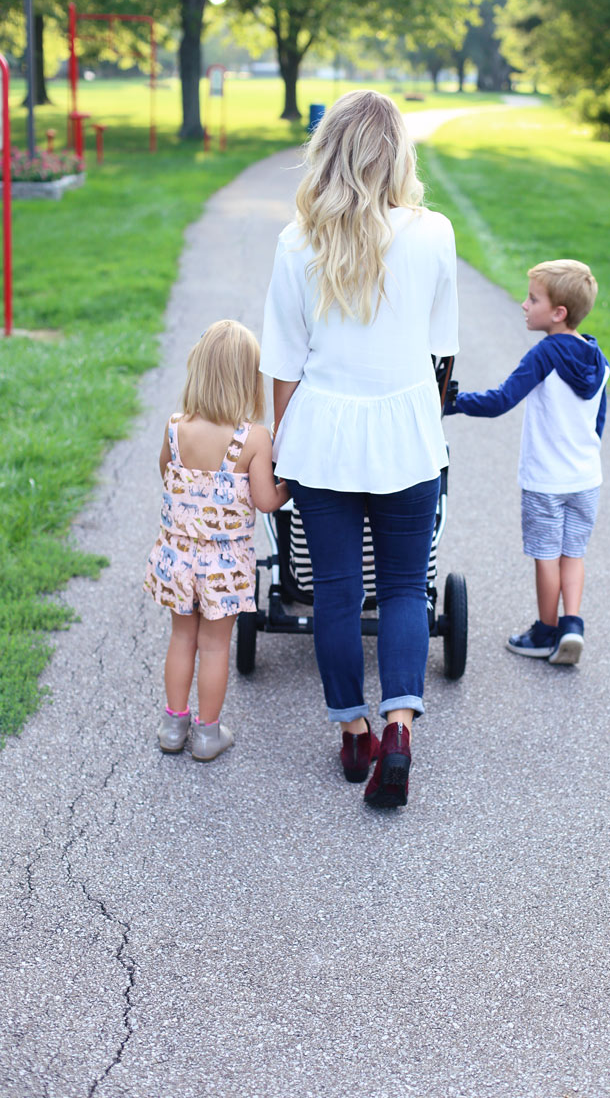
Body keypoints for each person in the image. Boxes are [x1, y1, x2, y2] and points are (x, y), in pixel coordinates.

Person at [260, 90, 459, 809]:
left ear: (328, 152)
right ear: (398, 153)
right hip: (407, 432)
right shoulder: (434, 233)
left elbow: (283, 362)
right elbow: (442, 352)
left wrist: (280, 454)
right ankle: (400, 726)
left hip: (323, 438)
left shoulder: (296, 242)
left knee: (337, 593)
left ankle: (352, 731)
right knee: (406, 586)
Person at [445, 259, 609, 665]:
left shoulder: (545, 355)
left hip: (546, 481)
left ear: (558, 313)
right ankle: (572, 625)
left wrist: (450, 402)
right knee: (573, 553)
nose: (523, 304)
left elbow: (501, 400)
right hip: (586, 478)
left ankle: (545, 631)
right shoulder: (597, 358)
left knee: (546, 555)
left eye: (533, 299)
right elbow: (598, 420)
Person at [144, 320, 289, 760]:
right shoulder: (253, 438)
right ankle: (207, 734)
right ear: (249, 380)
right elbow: (265, 501)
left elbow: (166, 474)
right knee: (213, 646)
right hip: (223, 567)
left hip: (177, 555)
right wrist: (290, 487)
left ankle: (173, 726)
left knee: (181, 639)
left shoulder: (176, 427)